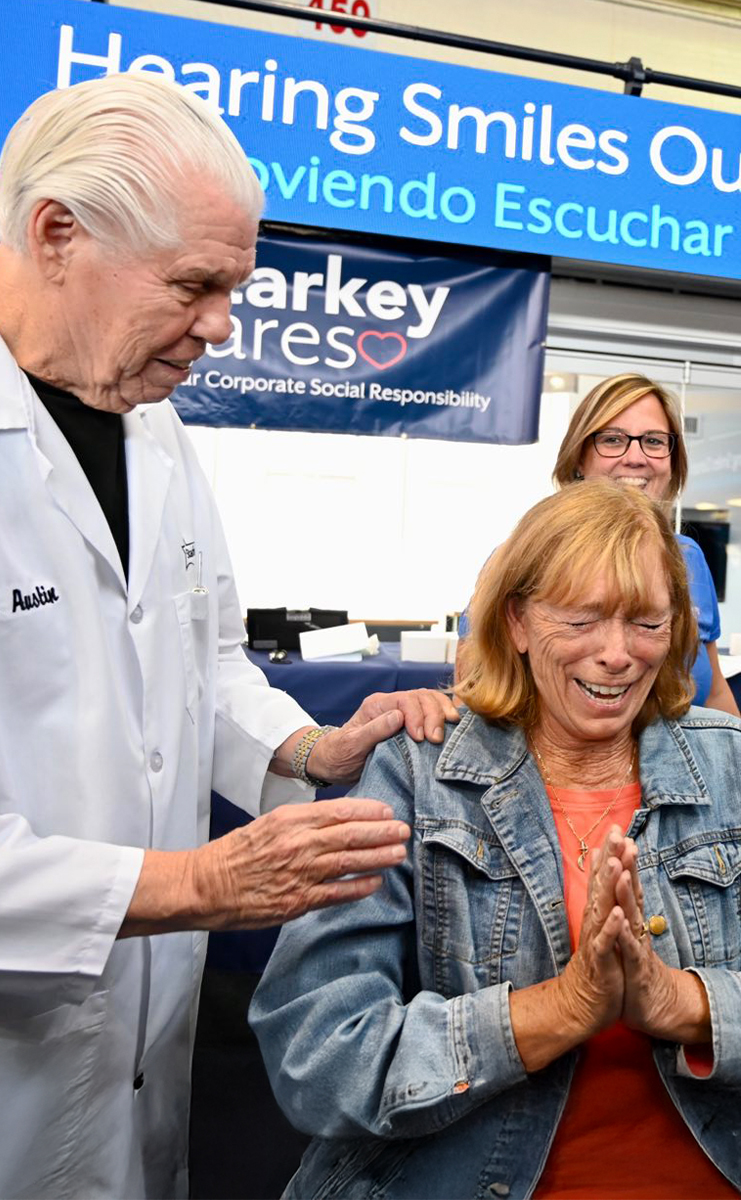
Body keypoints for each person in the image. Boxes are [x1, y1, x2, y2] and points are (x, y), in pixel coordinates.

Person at [0, 74, 458, 1199]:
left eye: (234, 289)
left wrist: (307, 750)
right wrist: (195, 883)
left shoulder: (154, 431)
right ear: (57, 234)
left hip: (137, 1049)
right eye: (193, 285)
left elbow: (199, 663)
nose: (219, 326)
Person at [251, 480, 741, 1200]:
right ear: (517, 622)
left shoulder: (734, 766)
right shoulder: (417, 773)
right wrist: (561, 1009)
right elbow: (317, 1055)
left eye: (646, 622)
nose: (617, 655)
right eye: (582, 619)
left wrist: (681, 1003)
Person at [550, 372, 741, 715]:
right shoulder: (532, 557)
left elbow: (714, 694)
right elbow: (481, 693)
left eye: (653, 441)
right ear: (578, 457)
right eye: (612, 440)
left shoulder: (687, 558)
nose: (636, 457)